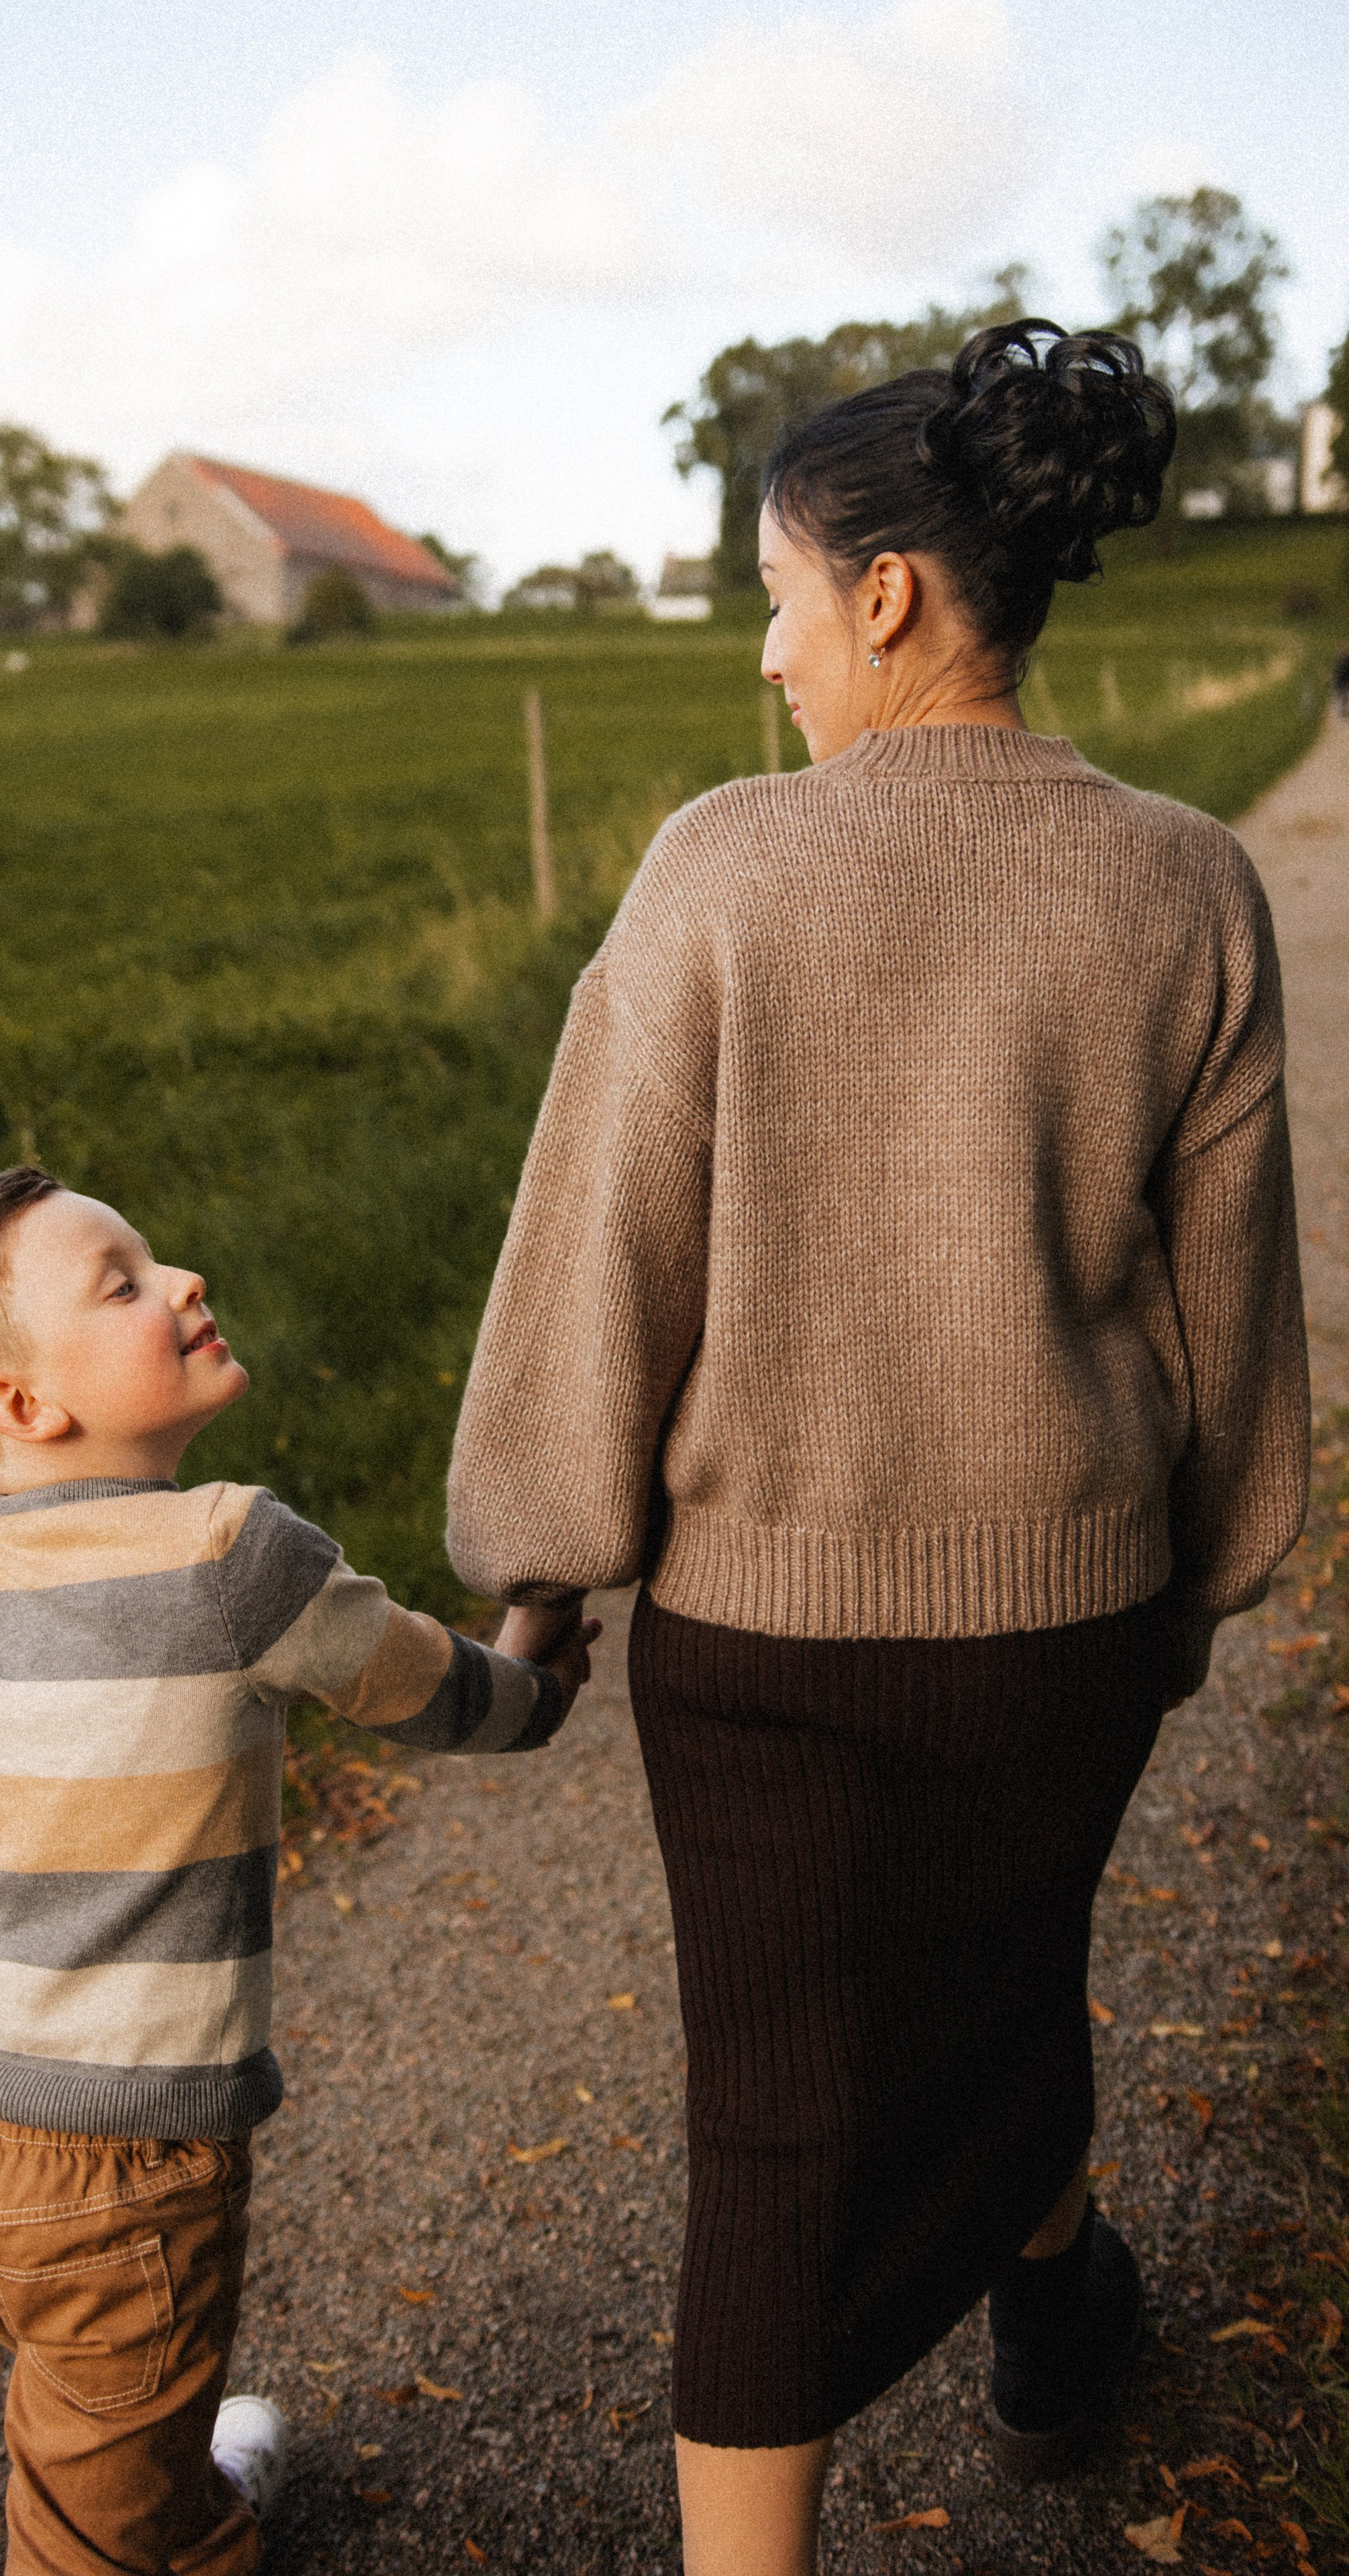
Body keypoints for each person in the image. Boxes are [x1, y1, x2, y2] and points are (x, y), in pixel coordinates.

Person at [447, 321, 1310, 2575]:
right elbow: (1233, 1318)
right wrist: (1193, 1596)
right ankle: (1053, 2322)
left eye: (778, 595)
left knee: (775, 2142)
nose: (767, 651)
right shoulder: (1193, 884)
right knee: (1013, 1963)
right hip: (1079, 1621)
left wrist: (540, 1562)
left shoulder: (721, 872)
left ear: (897, 597)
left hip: (764, 1649)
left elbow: (600, 1256)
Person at [0, 1168, 597, 2576]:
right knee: (84, 2519)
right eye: (125, 1282)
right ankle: (145, 2520)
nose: (184, 1279)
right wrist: (540, 1680)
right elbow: (436, 1697)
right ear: (21, 1404)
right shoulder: (233, 1559)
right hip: (115, 2170)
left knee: (101, 2401)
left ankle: (171, 2486)